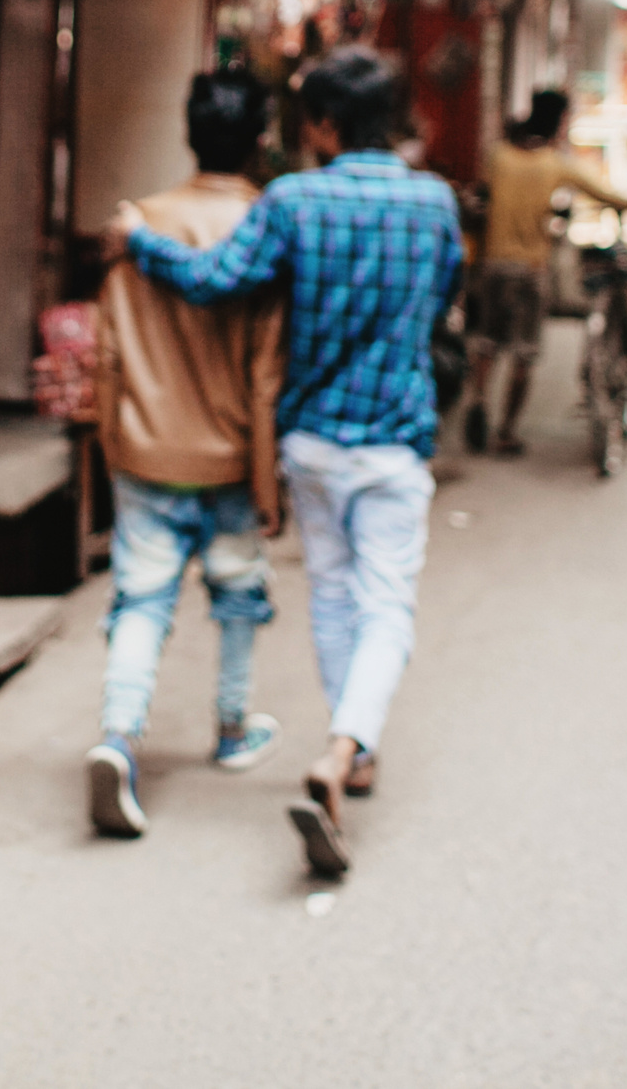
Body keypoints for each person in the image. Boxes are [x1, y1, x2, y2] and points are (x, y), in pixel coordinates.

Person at [105, 46, 462, 879]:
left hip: (312, 440)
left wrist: (138, 239)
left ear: (328, 124)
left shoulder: (297, 201)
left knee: (333, 595)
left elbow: (211, 279)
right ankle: (347, 747)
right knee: (387, 605)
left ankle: (351, 741)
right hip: (394, 437)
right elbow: (444, 299)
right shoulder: (434, 201)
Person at [84, 70, 286, 838]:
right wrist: (269, 482)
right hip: (233, 453)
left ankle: (118, 735)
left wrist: (114, 444)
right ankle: (232, 727)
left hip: (144, 448)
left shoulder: (134, 224)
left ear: (188, 132)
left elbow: (106, 354)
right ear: (260, 139)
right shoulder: (265, 231)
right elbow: (268, 375)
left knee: (141, 599)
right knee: (238, 593)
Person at [466, 89, 627, 458]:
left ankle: (478, 400)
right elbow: (604, 192)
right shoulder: (554, 164)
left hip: (493, 265)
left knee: (487, 342)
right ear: (559, 121)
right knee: (523, 351)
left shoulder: (498, 156)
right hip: (531, 270)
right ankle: (506, 431)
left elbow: (482, 197)